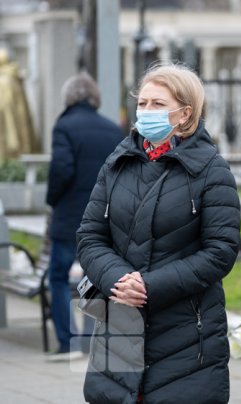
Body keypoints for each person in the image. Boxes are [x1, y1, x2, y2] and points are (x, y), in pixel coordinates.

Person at [76, 63, 241, 404]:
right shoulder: (117, 163)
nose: (146, 111)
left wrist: (149, 286)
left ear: (185, 114)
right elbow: (90, 235)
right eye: (143, 103)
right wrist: (119, 279)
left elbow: (220, 251)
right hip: (120, 325)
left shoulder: (211, 169)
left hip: (186, 335)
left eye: (158, 104)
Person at [45, 72, 124, 361]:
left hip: (68, 217)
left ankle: (68, 342)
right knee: (98, 278)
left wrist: (52, 200)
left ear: (68, 97)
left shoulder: (64, 126)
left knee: (58, 275)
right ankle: (93, 340)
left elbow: (61, 169)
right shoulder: (113, 129)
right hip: (104, 217)